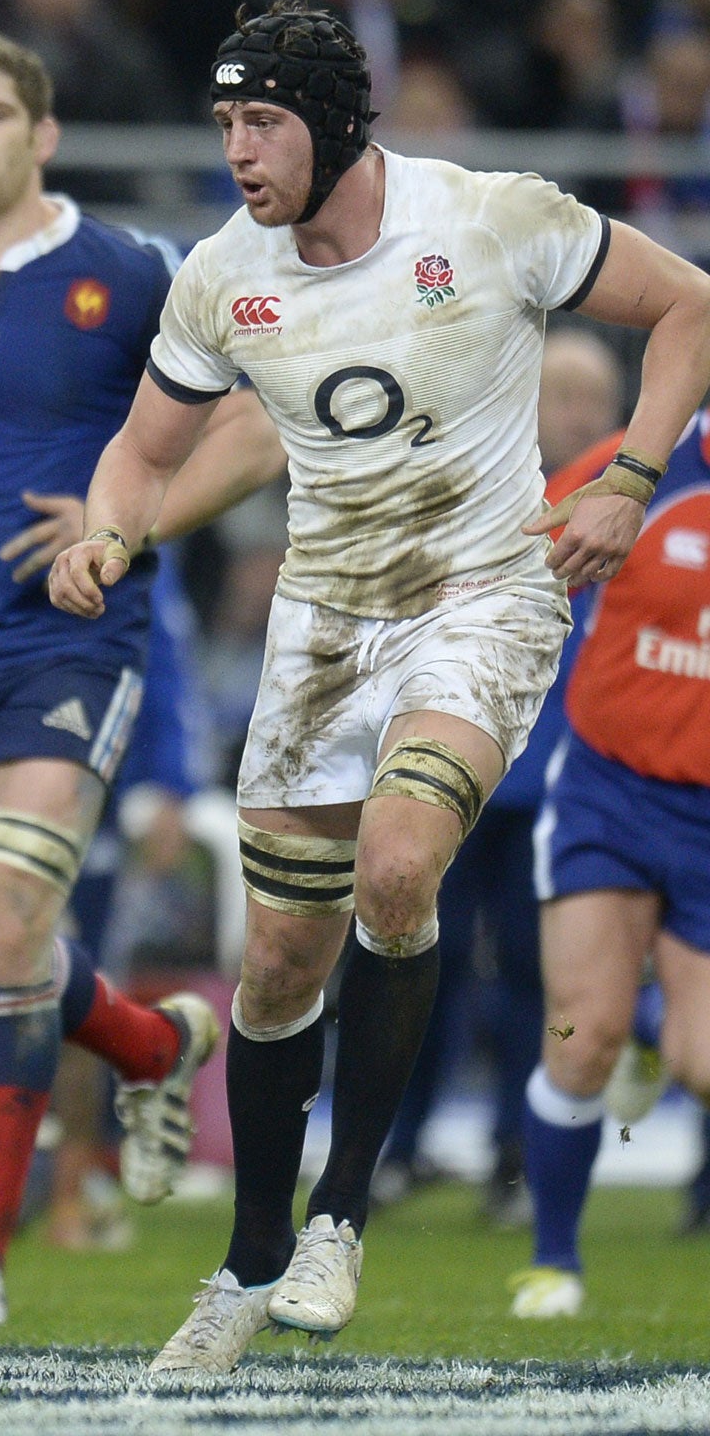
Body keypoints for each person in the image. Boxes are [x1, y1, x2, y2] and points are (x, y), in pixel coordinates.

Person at [49, 0, 710, 1374]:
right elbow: (144, 449)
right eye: (226, 121)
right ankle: (245, 1265)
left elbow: (691, 304)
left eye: (264, 121)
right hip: (323, 624)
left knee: (398, 873)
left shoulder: (489, 217)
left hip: (481, 595)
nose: (237, 148)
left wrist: (634, 481)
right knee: (281, 961)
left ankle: (341, 1215)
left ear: (338, 123)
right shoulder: (224, 274)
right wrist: (110, 528)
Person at [0, 31, 264, 1329]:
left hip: (67, 638)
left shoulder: (128, 271)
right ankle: (153, 1045)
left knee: (12, 912)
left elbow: (252, 422)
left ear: (44, 135)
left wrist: (119, 522)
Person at [376, 328, 626, 1223]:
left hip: (560, 785)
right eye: (563, 395)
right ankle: (395, 1147)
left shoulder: (626, 508)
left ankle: (515, 1156)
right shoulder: (476, 485)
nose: (580, 415)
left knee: (535, 974)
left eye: (594, 399)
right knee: (416, 955)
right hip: (460, 768)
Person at [510, 408, 710, 1318]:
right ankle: (555, 1258)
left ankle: (655, 1014)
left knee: (701, 1060)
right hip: (610, 792)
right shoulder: (642, 466)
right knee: (576, 1035)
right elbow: (517, 550)